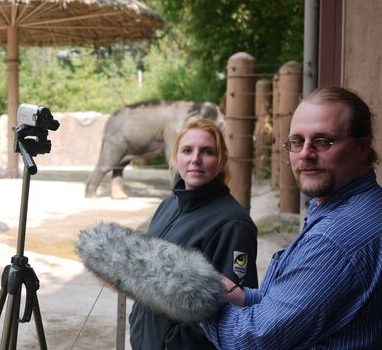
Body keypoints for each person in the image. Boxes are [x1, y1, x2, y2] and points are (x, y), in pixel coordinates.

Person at [202, 86, 382, 348]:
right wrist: (242, 296)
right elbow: (302, 307)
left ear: (362, 147)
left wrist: (194, 301)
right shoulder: (358, 206)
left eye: (323, 141)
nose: (306, 154)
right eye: (297, 141)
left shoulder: (333, 242)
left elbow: (251, 339)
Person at [129, 119, 259, 349]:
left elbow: (232, 307)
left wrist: (172, 342)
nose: (195, 159)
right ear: (176, 157)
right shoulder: (168, 206)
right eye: (187, 150)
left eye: (207, 151)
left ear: (222, 160)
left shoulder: (233, 223)